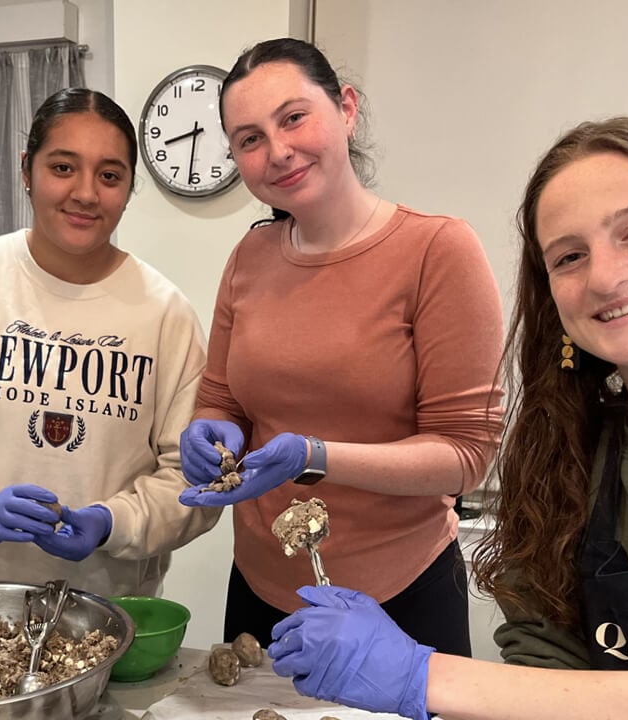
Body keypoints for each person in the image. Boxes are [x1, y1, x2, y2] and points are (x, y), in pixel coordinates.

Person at [267, 117, 628, 720]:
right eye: (570, 256)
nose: (605, 277)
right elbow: (543, 670)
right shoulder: (564, 452)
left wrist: (420, 674)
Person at [176, 37, 505, 656]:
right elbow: (221, 399)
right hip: (260, 587)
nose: (278, 151)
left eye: (294, 117)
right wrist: (209, 431)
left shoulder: (437, 251)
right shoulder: (249, 257)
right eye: (249, 139)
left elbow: (465, 453)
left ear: (346, 109)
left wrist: (314, 455)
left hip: (398, 594)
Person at [0, 88, 220, 598]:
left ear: (128, 188)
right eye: (62, 167)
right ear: (26, 170)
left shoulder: (166, 315)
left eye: (110, 175)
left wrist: (113, 522)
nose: (85, 193)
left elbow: (190, 483)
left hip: (107, 609)